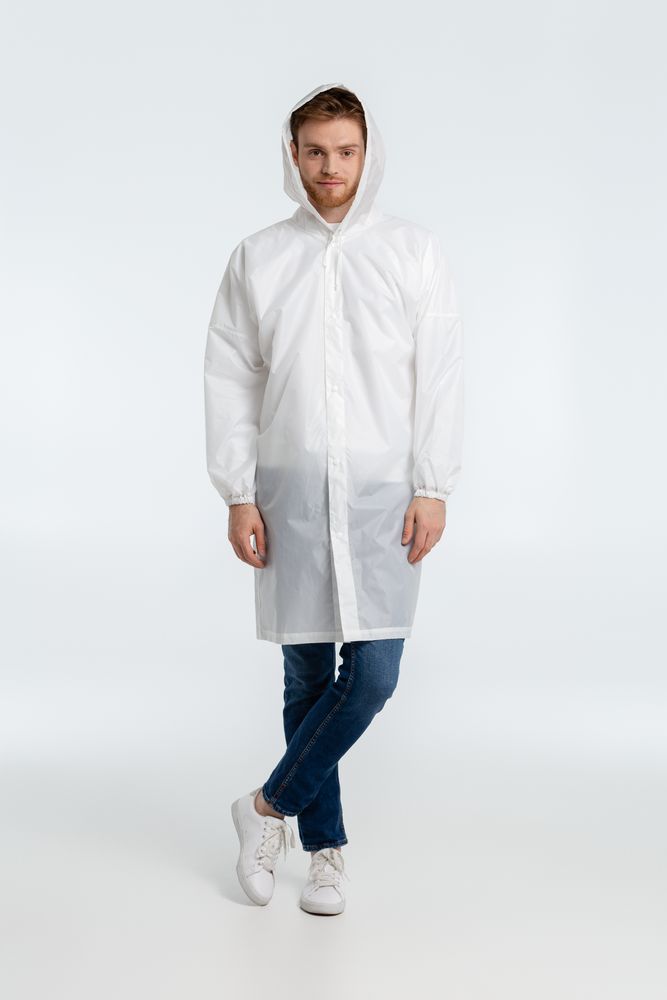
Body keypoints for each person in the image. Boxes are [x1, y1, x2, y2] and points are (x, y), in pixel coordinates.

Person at [204, 82, 464, 915]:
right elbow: (230, 378)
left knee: (374, 673)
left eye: (345, 151)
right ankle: (324, 852)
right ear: (293, 155)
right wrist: (238, 493)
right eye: (315, 151)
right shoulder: (258, 257)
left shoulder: (411, 251)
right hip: (288, 488)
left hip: (384, 491)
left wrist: (432, 484)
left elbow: (439, 375)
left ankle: (264, 807)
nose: (330, 167)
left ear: (366, 153)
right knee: (307, 673)